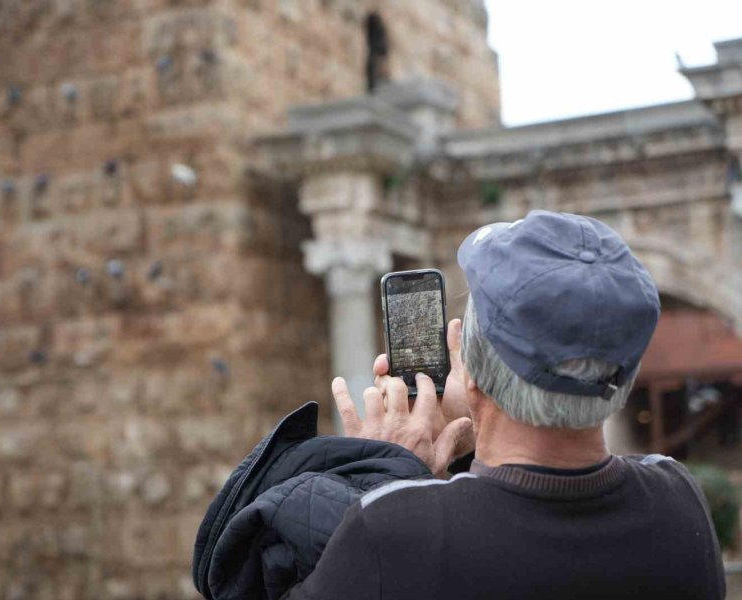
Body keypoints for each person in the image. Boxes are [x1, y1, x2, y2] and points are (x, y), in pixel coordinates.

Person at [284, 210, 725, 599]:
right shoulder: (678, 503)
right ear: (625, 380)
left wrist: (379, 476)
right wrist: (477, 424)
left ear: (470, 367)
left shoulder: (392, 530)